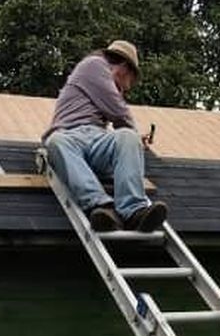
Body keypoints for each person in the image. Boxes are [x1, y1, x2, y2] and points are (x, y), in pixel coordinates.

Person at [42, 40, 168, 232]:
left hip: (97, 138)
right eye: (129, 83)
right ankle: (101, 207)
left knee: (127, 137)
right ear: (125, 68)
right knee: (56, 142)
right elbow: (119, 112)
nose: (125, 90)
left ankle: (135, 211)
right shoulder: (94, 65)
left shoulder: (104, 82)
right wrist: (132, 133)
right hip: (69, 135)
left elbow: (120, 123)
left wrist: (133, 139)